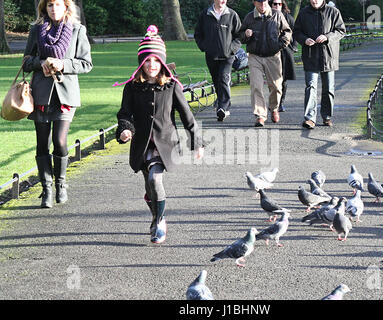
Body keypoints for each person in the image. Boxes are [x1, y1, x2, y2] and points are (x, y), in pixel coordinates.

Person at [114, 25, 204, 244]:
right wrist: (125, 130)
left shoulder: (172, 86)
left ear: (162, 63)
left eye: (156, 61)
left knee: (155, 179)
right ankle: (156, 216)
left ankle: (160, 221)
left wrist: (196, 142)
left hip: (165, 144)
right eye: (147, 60)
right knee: (149, 187)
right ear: (141, 63)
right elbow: (124, 114)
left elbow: (186, 115)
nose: (152, 65)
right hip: (142, 145)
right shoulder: (132, 87)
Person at [22, 0, 92, 208]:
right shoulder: (37, 30)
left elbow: (86, 63)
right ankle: (47, 189)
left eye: (58, 4)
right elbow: (26, 61)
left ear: (66, 7)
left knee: (60, 141)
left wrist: (63, 64)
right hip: (41, 94)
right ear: (45, 8)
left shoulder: (77, 30)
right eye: (50, 5)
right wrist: (40, 62)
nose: (54, 9)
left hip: (65, 94)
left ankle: (61, 183)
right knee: (42, 143)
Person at [293, 0, 345, 129]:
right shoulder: (303, 13)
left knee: (328, 89)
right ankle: (310, 118)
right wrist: (304, 40)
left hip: (329, 56)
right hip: (310, 56)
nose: (314, 1)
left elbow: (341, 31)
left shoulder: (333, 12)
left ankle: (327, 116)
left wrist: (327, 37)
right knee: (311, 87)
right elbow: (296, 32)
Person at [239, 0, 292, 127]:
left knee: (276, 86)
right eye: (259, 2)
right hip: (255, 56)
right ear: (254, 2)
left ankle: (274, 108)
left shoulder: (277, 15)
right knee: (256, 86)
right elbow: (240, 35)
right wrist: (246, 35)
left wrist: (279, 45)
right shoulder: (249, 17)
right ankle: (260, 115)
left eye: (264, 2)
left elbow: (287, 32)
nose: (262, 5)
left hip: (273, 56)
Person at [194, 0, 242, 122]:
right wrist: (204, 47)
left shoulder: (232, 14)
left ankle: (223, 108)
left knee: (224, 78)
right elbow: (198, 34)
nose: (222, 1)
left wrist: (232, 49)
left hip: (228, 56)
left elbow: (239, 35)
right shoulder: (205, 14)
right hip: (211, 55)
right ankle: (223, 103)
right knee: (216, 80)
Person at [269, 0, 298, 113]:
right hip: (271, 52)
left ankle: (280, 103)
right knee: (273, 80)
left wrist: (294, 47)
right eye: (274, 4)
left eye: (279, 4)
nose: (277, 6)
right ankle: (273, 102)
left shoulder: (288, 18)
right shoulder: (267, 17)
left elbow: (295, 33)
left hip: (286, 52)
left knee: (283, 79)